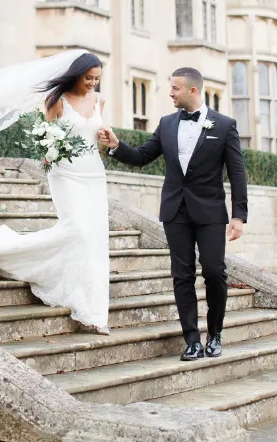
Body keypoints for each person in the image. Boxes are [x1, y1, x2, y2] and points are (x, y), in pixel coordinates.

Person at [0, 53, 111, 333]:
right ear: (76, 74)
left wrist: (108, 141)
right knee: (78, 231)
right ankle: (78, 300)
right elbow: (45, 141)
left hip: (94, 175)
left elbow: (98, 143)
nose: (92, 83)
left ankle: (94, 310)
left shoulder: (99, 101)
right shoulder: (56, 101)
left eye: (97, 78)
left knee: (96, 238)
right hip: (65, 174)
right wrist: (51, 152)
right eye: (89, 78)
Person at [98, 67, 247, 361]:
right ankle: (191, 340)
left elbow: (237, 173)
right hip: (175, 210)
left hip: (210, 212)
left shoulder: (225, 125)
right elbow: (142, 157)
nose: (170, 93)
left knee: (215, 272)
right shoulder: (166, 124)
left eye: (175, 88)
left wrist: (239, 215)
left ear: (193, 90)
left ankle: (215, 333)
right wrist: (117, 146)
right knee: (182, 275)